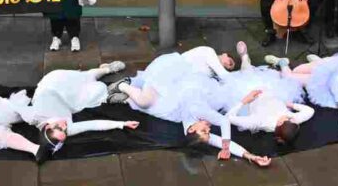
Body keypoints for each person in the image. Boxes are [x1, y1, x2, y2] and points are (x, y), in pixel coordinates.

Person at [108, 52, 272, 167]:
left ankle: (121, 87)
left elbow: (223, 122)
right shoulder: (195, 131)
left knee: (144, 103)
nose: (208, 128)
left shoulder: (198, 112)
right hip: (188, 91)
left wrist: (226, 146)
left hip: (182, 87)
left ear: (192, 129)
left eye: (205, 131)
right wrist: (250, 156)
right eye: (208, 132)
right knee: (144, 102)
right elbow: (215, 139)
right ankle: (125, 92)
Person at [1, 61, 140, 163]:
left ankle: (106, 69)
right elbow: (93, 124)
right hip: (69, 102)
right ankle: (109, 94)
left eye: (60, 127)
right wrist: (122, 124)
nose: (65, 126)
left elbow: (12, 105)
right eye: (64, 131)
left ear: (48, 126)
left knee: (86, 77)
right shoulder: (68, 129)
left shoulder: (33, 116)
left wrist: (8, 100)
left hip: (53, 85)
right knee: (94, 94)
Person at [223, 41, 314, 145]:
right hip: (270, 91)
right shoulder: (291, 119)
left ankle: (244, 58)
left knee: (247, 74)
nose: (291, 118)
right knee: (284, 79)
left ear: (279, 123)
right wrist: (291, 105)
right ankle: (281, 64)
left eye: (288, 120)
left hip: (251, 95)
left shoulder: (258, 122)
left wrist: (245, 100)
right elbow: (310, 111)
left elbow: (228, 118)